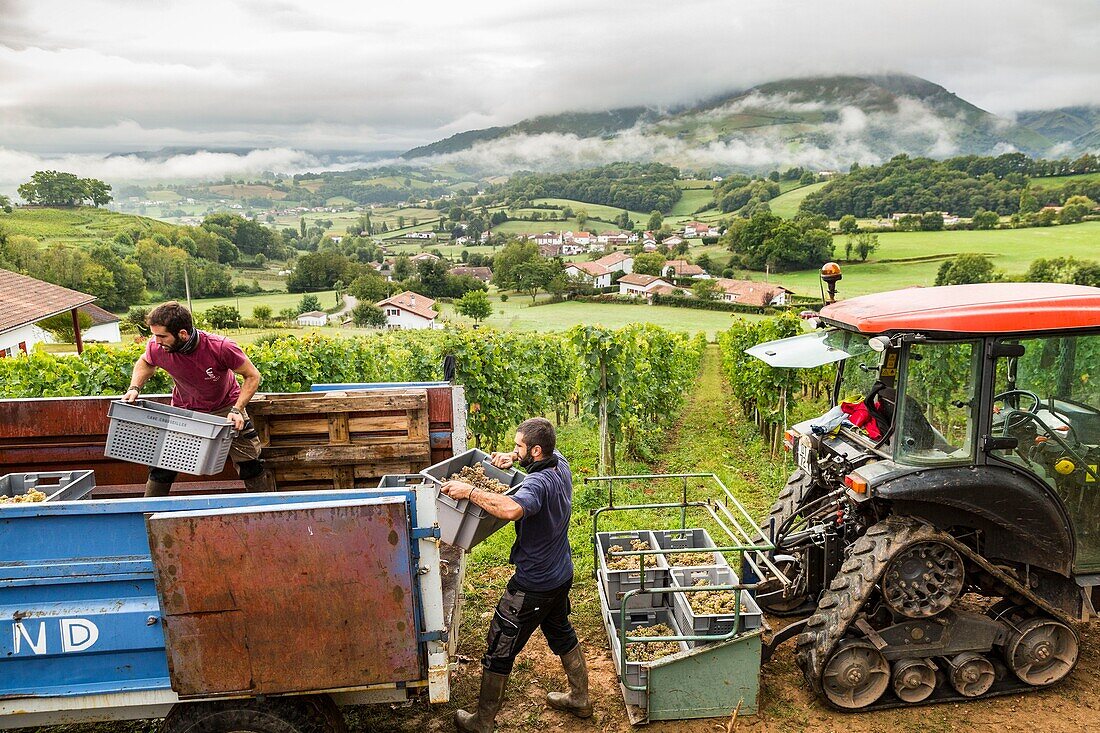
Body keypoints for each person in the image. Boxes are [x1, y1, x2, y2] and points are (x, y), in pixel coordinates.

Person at [441, 418, 590, 732]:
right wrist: (512, 458)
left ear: (536, 450)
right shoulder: (558, 463)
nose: (514, 450)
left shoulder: (536, 485)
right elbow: (531, 465)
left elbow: (510, 510)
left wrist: (469, 491)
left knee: (499, 646)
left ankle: (482, 721)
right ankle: (580, 699)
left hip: (534, 584)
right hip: (561, 572)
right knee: (561, 630)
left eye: (519, 447)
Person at [122, 301, 274, 496]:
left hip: (226, 409)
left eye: (161, 336)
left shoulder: (220, 347)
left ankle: (264, 512)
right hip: (184, 411)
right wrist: (134, 387)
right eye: (154, 335)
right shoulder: (157, 347)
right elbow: (145, 362)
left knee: (250, 464)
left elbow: (252, 375)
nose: (156, 341)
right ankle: (147, 514)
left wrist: (237, 409)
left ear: (183, 334)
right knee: (162, 466)